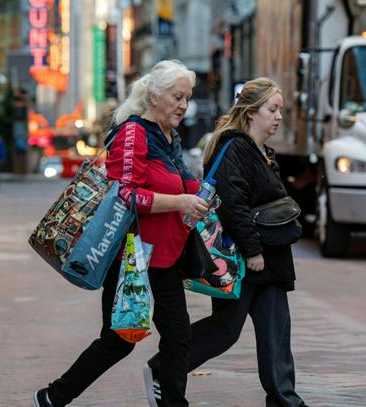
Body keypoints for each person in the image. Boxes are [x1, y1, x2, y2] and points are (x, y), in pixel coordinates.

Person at [33, 60, 209, 407]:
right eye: (177, 97)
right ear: (154, 96)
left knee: (178, 337)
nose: (184, 106)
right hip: (131, 257)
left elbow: (181, 182)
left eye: (187, 98)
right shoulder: (133, 133)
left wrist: (203, 196)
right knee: (117, 341)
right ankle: (52, 397)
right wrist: (179, 202)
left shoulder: (169, 136)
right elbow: (126, 195)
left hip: (167, 257)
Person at [145, 78, 307, 407]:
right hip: (244, 259)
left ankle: (285, 400)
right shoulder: (234, 148)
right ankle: (163, 368)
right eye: (272, 110)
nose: (278, 117)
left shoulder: (262, 152)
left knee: (276, 333)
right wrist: (253, 251)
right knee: (224, 330)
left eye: (280, 110)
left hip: (271, 259)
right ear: (251, 112)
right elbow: (232, 204)